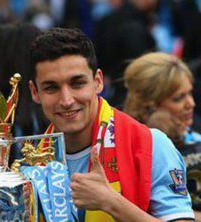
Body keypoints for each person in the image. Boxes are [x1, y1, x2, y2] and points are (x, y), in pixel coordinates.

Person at [28, 28, 194, 221]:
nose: (66, 100)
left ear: (98, 82)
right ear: (35, 92)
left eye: (77, 84)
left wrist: (110, 202)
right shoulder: (31, 160)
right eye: (51, 88)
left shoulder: (150, 144)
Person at [124, 52, 201, 218]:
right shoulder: (124, 149)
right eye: (179, 98)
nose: (191, 104)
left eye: (190, 93)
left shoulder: (196, 139)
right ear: (150, 106)